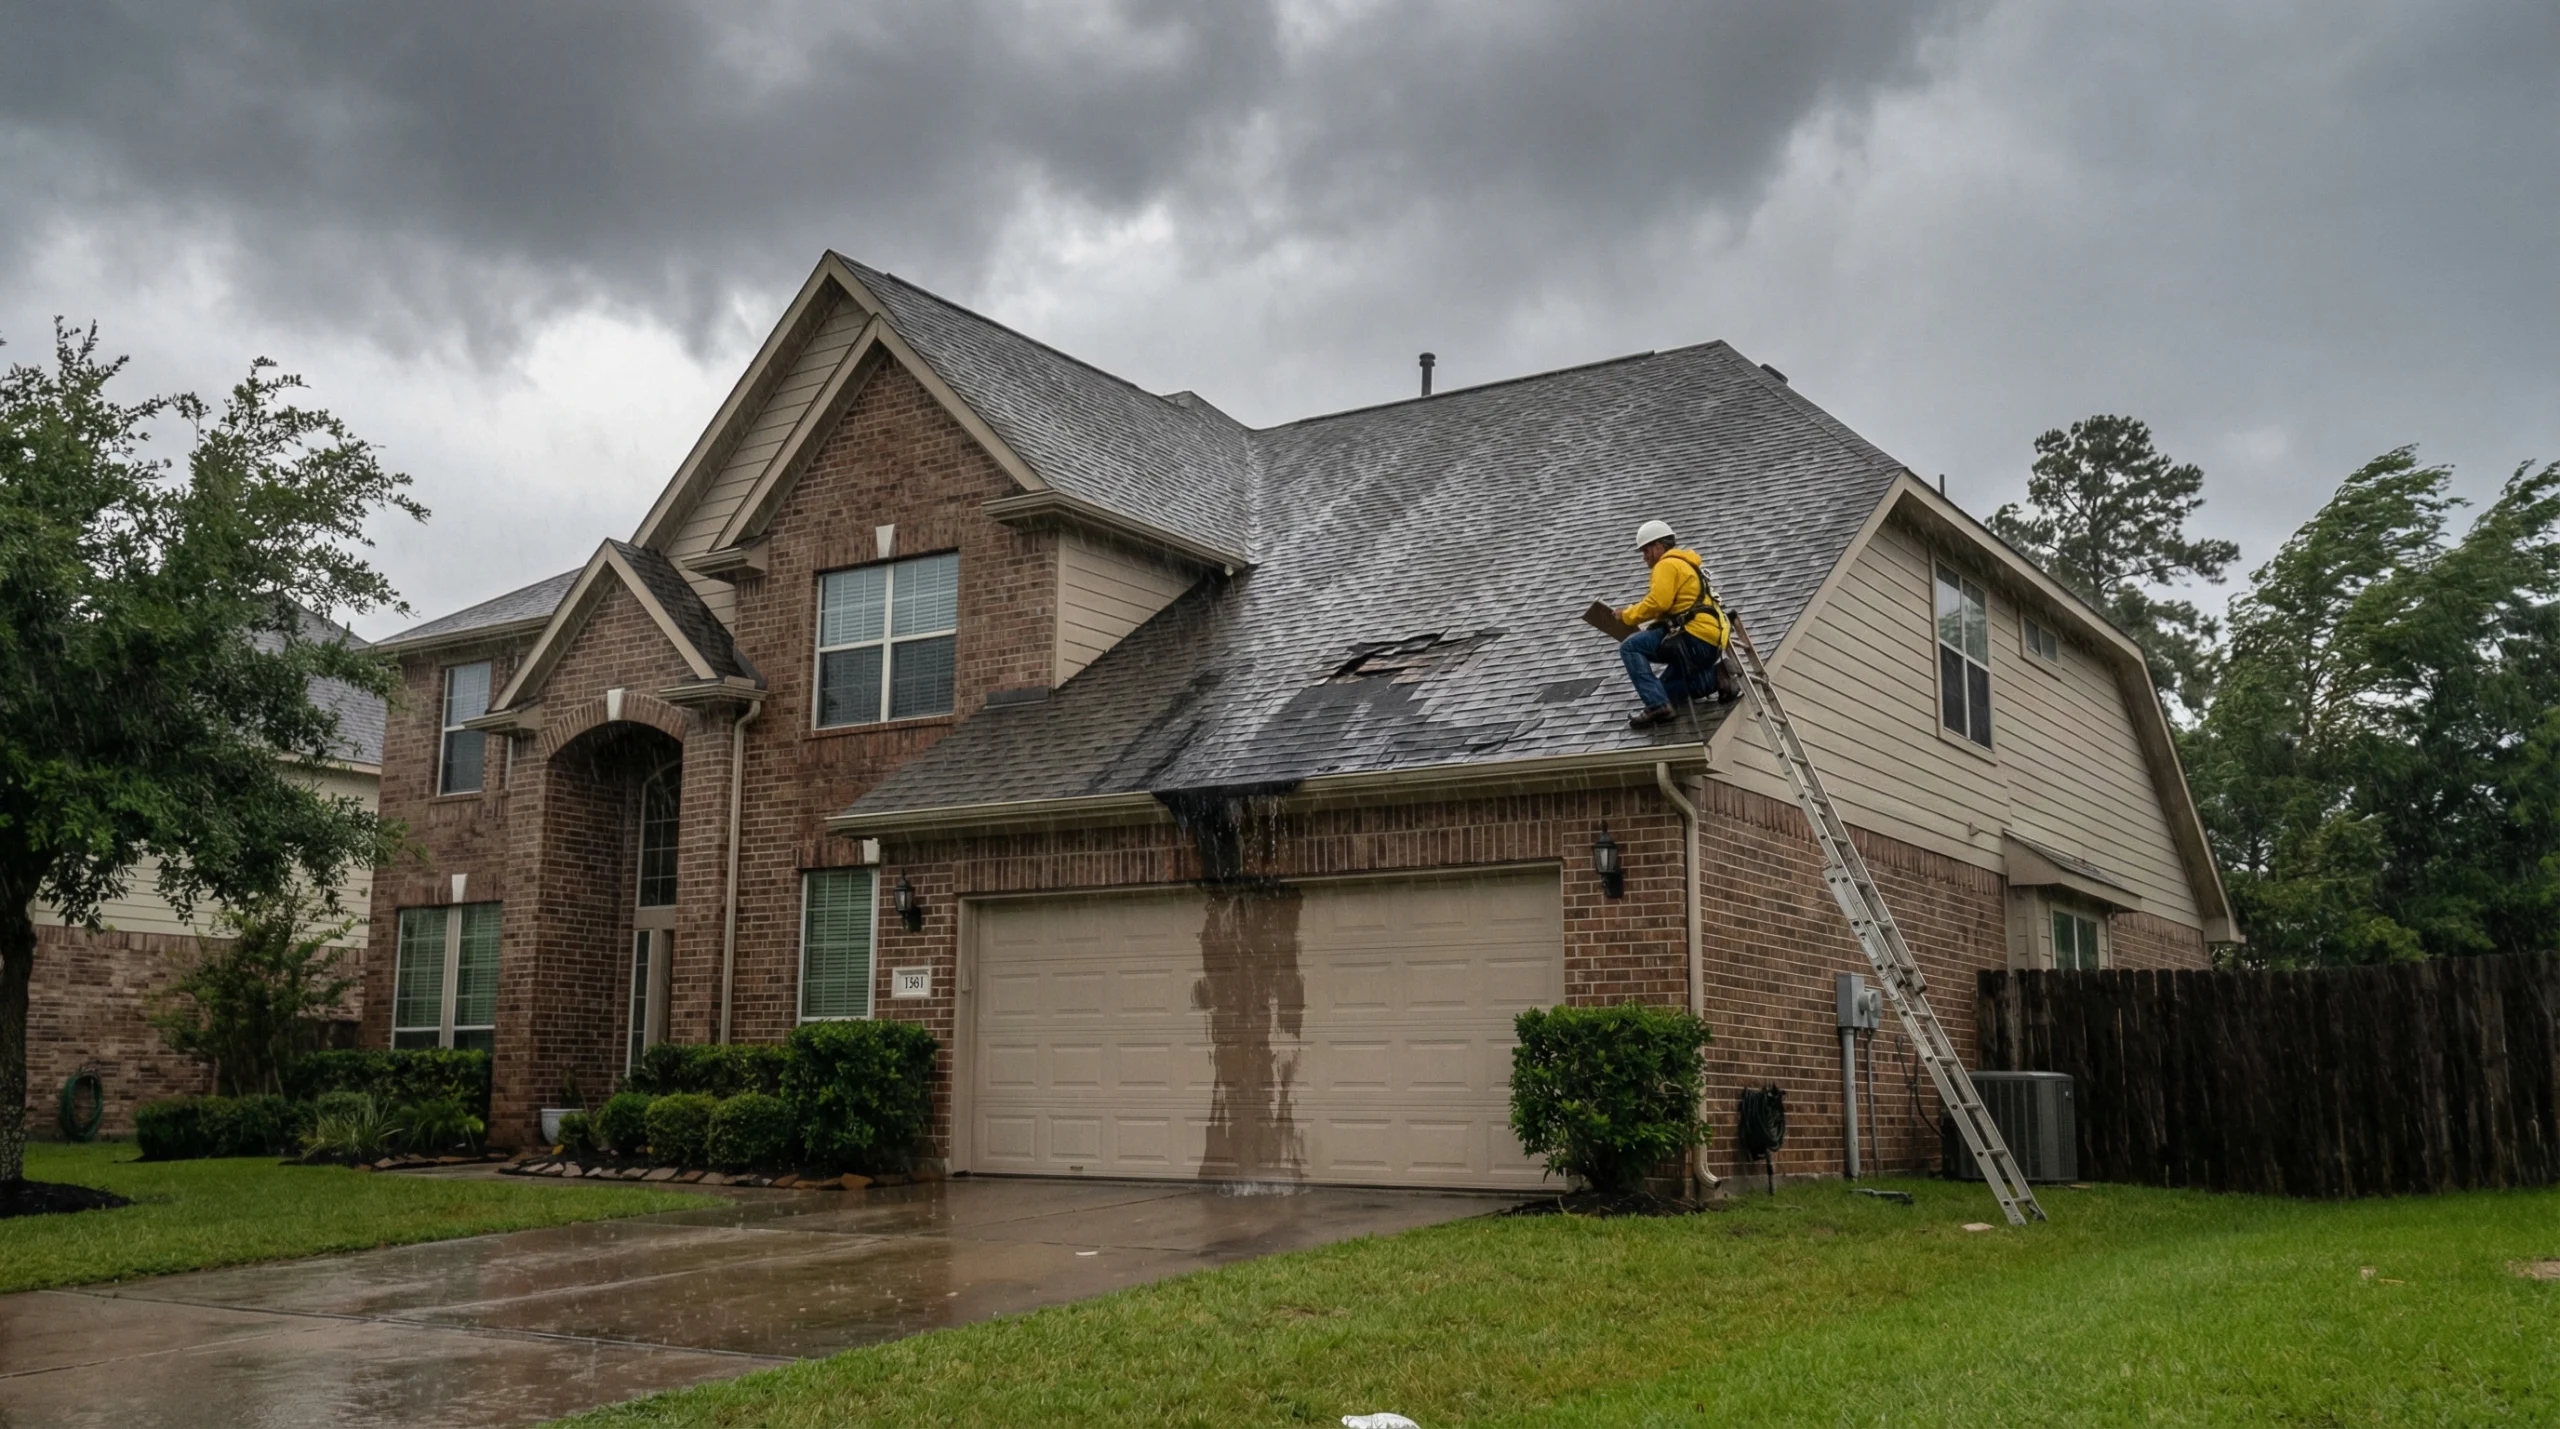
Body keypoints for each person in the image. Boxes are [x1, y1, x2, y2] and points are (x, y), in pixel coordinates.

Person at [1616, 519, 1732, 728]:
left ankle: (1656, 706)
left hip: (1692, 636)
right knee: (1667, 690)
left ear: (1659, 545)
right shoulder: (1686, 565)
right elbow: (1670, 607)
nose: (1645, 558)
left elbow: (1658, 602)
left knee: (1630, 647)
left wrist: (1627, 615)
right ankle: (1719, 677)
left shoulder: (1666, 564)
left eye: (1646, 551)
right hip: (1710, 642)